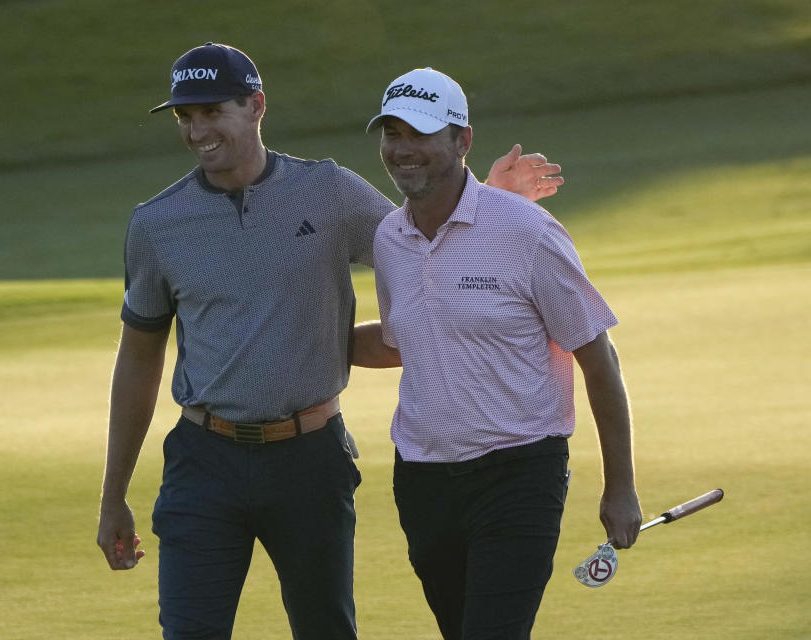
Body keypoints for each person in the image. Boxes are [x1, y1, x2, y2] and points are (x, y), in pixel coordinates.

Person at [96, 43, 563, 640]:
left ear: (257, 106)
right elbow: (138, 358)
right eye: (186, 117)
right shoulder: (157, 224)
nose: (197, 130)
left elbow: (426, 245)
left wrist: (492, 201)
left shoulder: (329, 192)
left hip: (309, 460)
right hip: (203, 460)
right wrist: (114, 495)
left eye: (213, 112)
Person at [364, 67, 643, 640]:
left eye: (420, 134)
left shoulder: (528, 232)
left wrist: (620, 485)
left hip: (518, 473)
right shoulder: (390, 239)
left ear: (462, 140)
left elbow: (598, 357)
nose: (402, 149)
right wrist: (297, 340)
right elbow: (404, 340)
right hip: (421, 479)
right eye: (392, 134)